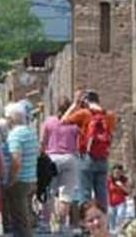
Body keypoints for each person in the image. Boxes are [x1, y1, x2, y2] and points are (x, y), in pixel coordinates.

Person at [61, 88, 116, 213]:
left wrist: (75, 104)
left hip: (86, 158)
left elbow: (63, 121)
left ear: (86, 101)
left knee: (85, 193)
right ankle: (102, 222)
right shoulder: (110, 116)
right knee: (101, 194)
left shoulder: (84, 114)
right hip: (103, 158)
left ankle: (86, 226)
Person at [40, 97, 81, 231]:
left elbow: (42, 142)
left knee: (48, 192)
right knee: (66, 194)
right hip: (70, 158)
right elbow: (79, 143)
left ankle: (46, 224)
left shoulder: (49, 121)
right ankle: (62, 225)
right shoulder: (75, 124)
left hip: (51, 158)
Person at [4, 101, 39, 237]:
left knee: (20, 221)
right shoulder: (30, 132)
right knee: (26, 217)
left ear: (11, 119)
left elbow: (16, 161)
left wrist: (11, 180)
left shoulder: (15, 135)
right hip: (31, 178)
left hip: (19, 181)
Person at [106, 164, 131, 233]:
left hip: (121, 203)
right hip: (111, 203)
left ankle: (119, 233)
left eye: (119, 173)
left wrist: (121, 186)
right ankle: (112, 234)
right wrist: (108, 203)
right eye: (115, 172)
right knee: (112, 220)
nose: (117, 174)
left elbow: (128, 191)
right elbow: (106, 191)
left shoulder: (124, 180)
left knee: (119, 218)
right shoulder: (109, 180)